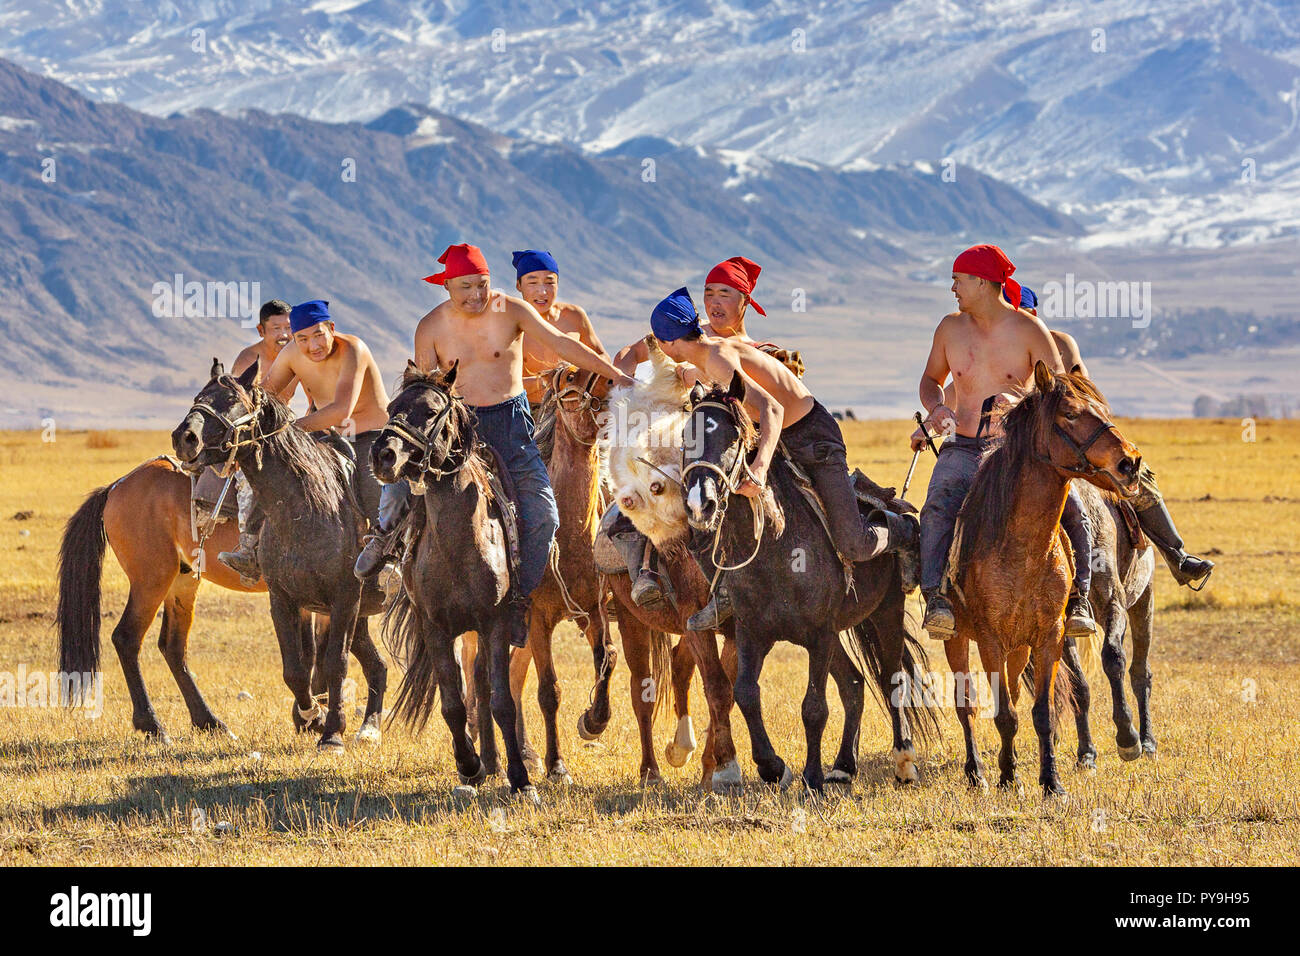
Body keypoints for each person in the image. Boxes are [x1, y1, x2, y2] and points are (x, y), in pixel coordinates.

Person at [353, 243, 635, 648]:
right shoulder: (430, 326)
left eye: (482, 285)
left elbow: (562, 344)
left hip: (510, 424)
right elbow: (424, 388)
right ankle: (386, 540)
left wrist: (615, 375)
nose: (475, 295)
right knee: (403, 477)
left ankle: (517, 600)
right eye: (465, 287)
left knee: (544, 517)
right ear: (447, 286)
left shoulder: (511, 311)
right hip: (454, 426)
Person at [646, 288, 916, 630]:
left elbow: (772, 407)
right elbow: (708, 382)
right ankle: (726, 588)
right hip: (768, 436)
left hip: (810, 435)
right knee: (707, 506)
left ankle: (904, 531)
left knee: (853, 542)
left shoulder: (717, 358)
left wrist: (758, 471)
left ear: (667, 343)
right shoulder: (705, 356)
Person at [608, 256, 804, 607]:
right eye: (709, 292)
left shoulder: (757, 351)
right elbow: (633, 351)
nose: (714, 302)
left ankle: (737, 587)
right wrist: (623, 389)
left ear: (745, 301)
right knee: (632, 492)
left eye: (725, 294)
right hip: (682, 431)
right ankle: (640, 574)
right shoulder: (686, 332)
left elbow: (769, 405)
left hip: (740, 438)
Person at [915, 245, 1068, 640]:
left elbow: (1060, 391)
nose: (953, 288)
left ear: (982, 283)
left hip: (1017, 450)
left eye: (958, 280)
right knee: (937, 504)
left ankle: (1081, 595)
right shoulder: (949, 328)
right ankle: (937, 599)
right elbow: (931, 381)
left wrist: (1020, 401)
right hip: (964, 447)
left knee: (1073, 510)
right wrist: (935, 410)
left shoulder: (1029, 331)